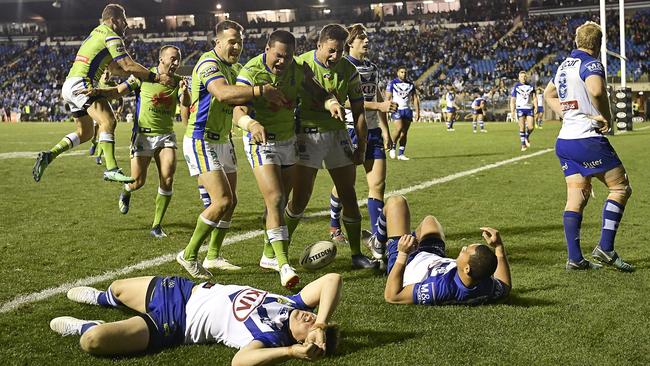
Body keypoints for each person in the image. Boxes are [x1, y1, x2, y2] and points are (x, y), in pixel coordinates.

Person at [179, 20, 288, 278]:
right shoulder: (208, 64)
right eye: (231, 41)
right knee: (222, 200)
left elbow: (242, 105)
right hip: (201, 138)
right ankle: (189, 254)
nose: (237, 46)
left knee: (232, 201)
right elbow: (223, 94)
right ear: (217, 42)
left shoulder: (236, 68)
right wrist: (261, 90)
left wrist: (253, 121)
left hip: (224, 140)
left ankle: (214, 255)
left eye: (240, 41)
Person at [233, 30, 340, 288]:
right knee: (276, 198)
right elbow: (238, 111)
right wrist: (252, 124)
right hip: (262, 141)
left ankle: (269, 254)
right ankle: (284, 264)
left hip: (289, 141)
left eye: (288, 57)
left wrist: (331, 103)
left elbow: (318, 92)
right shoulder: (251, 72)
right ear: (267, 49)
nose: (282, 62)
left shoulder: (297, 69)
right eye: (278, 56)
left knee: (283, 204)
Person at [49, 273, 342, 364]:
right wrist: (320, 324)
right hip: (182, 289)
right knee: (116, 288)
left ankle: (88, 325)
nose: (310, 317)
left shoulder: (270, 338)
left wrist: (292, 352)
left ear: (302, 341)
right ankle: (103, 299)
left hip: (175, 323)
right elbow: (332, 279)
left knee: (93, 342)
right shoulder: (292, 302)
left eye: (309, 326)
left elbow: (239, 363)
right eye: (314, 317)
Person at [32, 3, 174, 183]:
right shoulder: (112, 36)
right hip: (83, 83)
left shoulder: (96, 32)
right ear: (114, 20)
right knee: (108, 120)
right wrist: (156, 77)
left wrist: (114, 71)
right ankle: (111, 169)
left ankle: (49, 156)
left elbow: (117, 68)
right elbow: (128, 66)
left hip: (70, 84)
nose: (126, 24)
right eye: (123, 20)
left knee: (85, 133)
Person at [543, 21, 634, 272]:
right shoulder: (591, 63)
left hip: (565, 142)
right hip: (588, 139)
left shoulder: (563, 65)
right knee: (620, 188)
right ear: (599, 44)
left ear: (577, 41)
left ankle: (575, 258)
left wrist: (568, 113)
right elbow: (596, 89)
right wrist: (607, 116)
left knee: (576, 198)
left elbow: (547, 94)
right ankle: (605, 248)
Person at [287, 23, 377, 270]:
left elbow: (358, 111)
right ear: (319, 45)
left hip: (338, 135)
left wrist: (361, 145)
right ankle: (280, 254)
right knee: (300, 199)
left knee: (348, 194)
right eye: (331, 50)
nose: (335, 56)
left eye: (340, 51)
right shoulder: (300, 64)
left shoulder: (349, 70)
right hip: (307, 135)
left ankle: (357, 255)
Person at [77, 45, 191, 239]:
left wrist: (185, 92)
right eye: (172, 59)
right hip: (143, 136)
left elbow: (186, 104)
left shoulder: (179, 82)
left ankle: (156, 225)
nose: (176, 63)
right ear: (161, 59)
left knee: (168, 178)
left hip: (166, 136)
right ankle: (127, 190)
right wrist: (98, 91)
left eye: (178, 59)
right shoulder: (142, 76)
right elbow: (118, 91)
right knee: (138, 181)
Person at [327, 23, 396, 248]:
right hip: (349, 129)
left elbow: (377, 95)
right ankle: (334, 224)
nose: (366, 42)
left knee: (378, 184)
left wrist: (386, 130)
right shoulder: (343, 66)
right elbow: (344, 100)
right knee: (345, 185)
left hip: (373, 131)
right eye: (361, 38)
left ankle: (378, 238)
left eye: (367, 38)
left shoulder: (372, 67)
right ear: (350, 43)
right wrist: (379, 105)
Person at [374, 195, 511, 305]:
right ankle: (407, 239)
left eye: (466, 250)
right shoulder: (485, 285)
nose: (463, 248)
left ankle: (378, 243)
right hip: (434, 258)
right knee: (430, 221)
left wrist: (403, 253)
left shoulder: (439, 288)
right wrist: (499, 247)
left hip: (408, 262)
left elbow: (393, 296)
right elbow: (505, 287)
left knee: (396, 202)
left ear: (467, 269)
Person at [386, 66, 419, 161]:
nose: (404, 74)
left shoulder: (410, 84)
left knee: (404, 133)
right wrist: (386, 110)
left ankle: (401, 154)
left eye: (405, 72)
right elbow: (387, 98)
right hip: (397, 109)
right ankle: (392, 146)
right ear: (397, 73)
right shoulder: (392, 83)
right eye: (402, 72)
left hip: (407, 110)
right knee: (399, 128)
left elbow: (415, 98)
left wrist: (417, 111)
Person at [510, 71, 537, 151]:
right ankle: (523, 145)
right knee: (522, 127)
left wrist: (536, 106)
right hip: (520, 108)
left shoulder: (531, 86)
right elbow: (513, 99)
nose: (523, 78)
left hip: (529, 108)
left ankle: (526, 136)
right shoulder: (516, 87)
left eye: (524, 76)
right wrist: (512, 111)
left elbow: (534, 97)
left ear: (527, 77)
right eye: (521, 76)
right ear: (519, 78)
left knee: (531, 127)